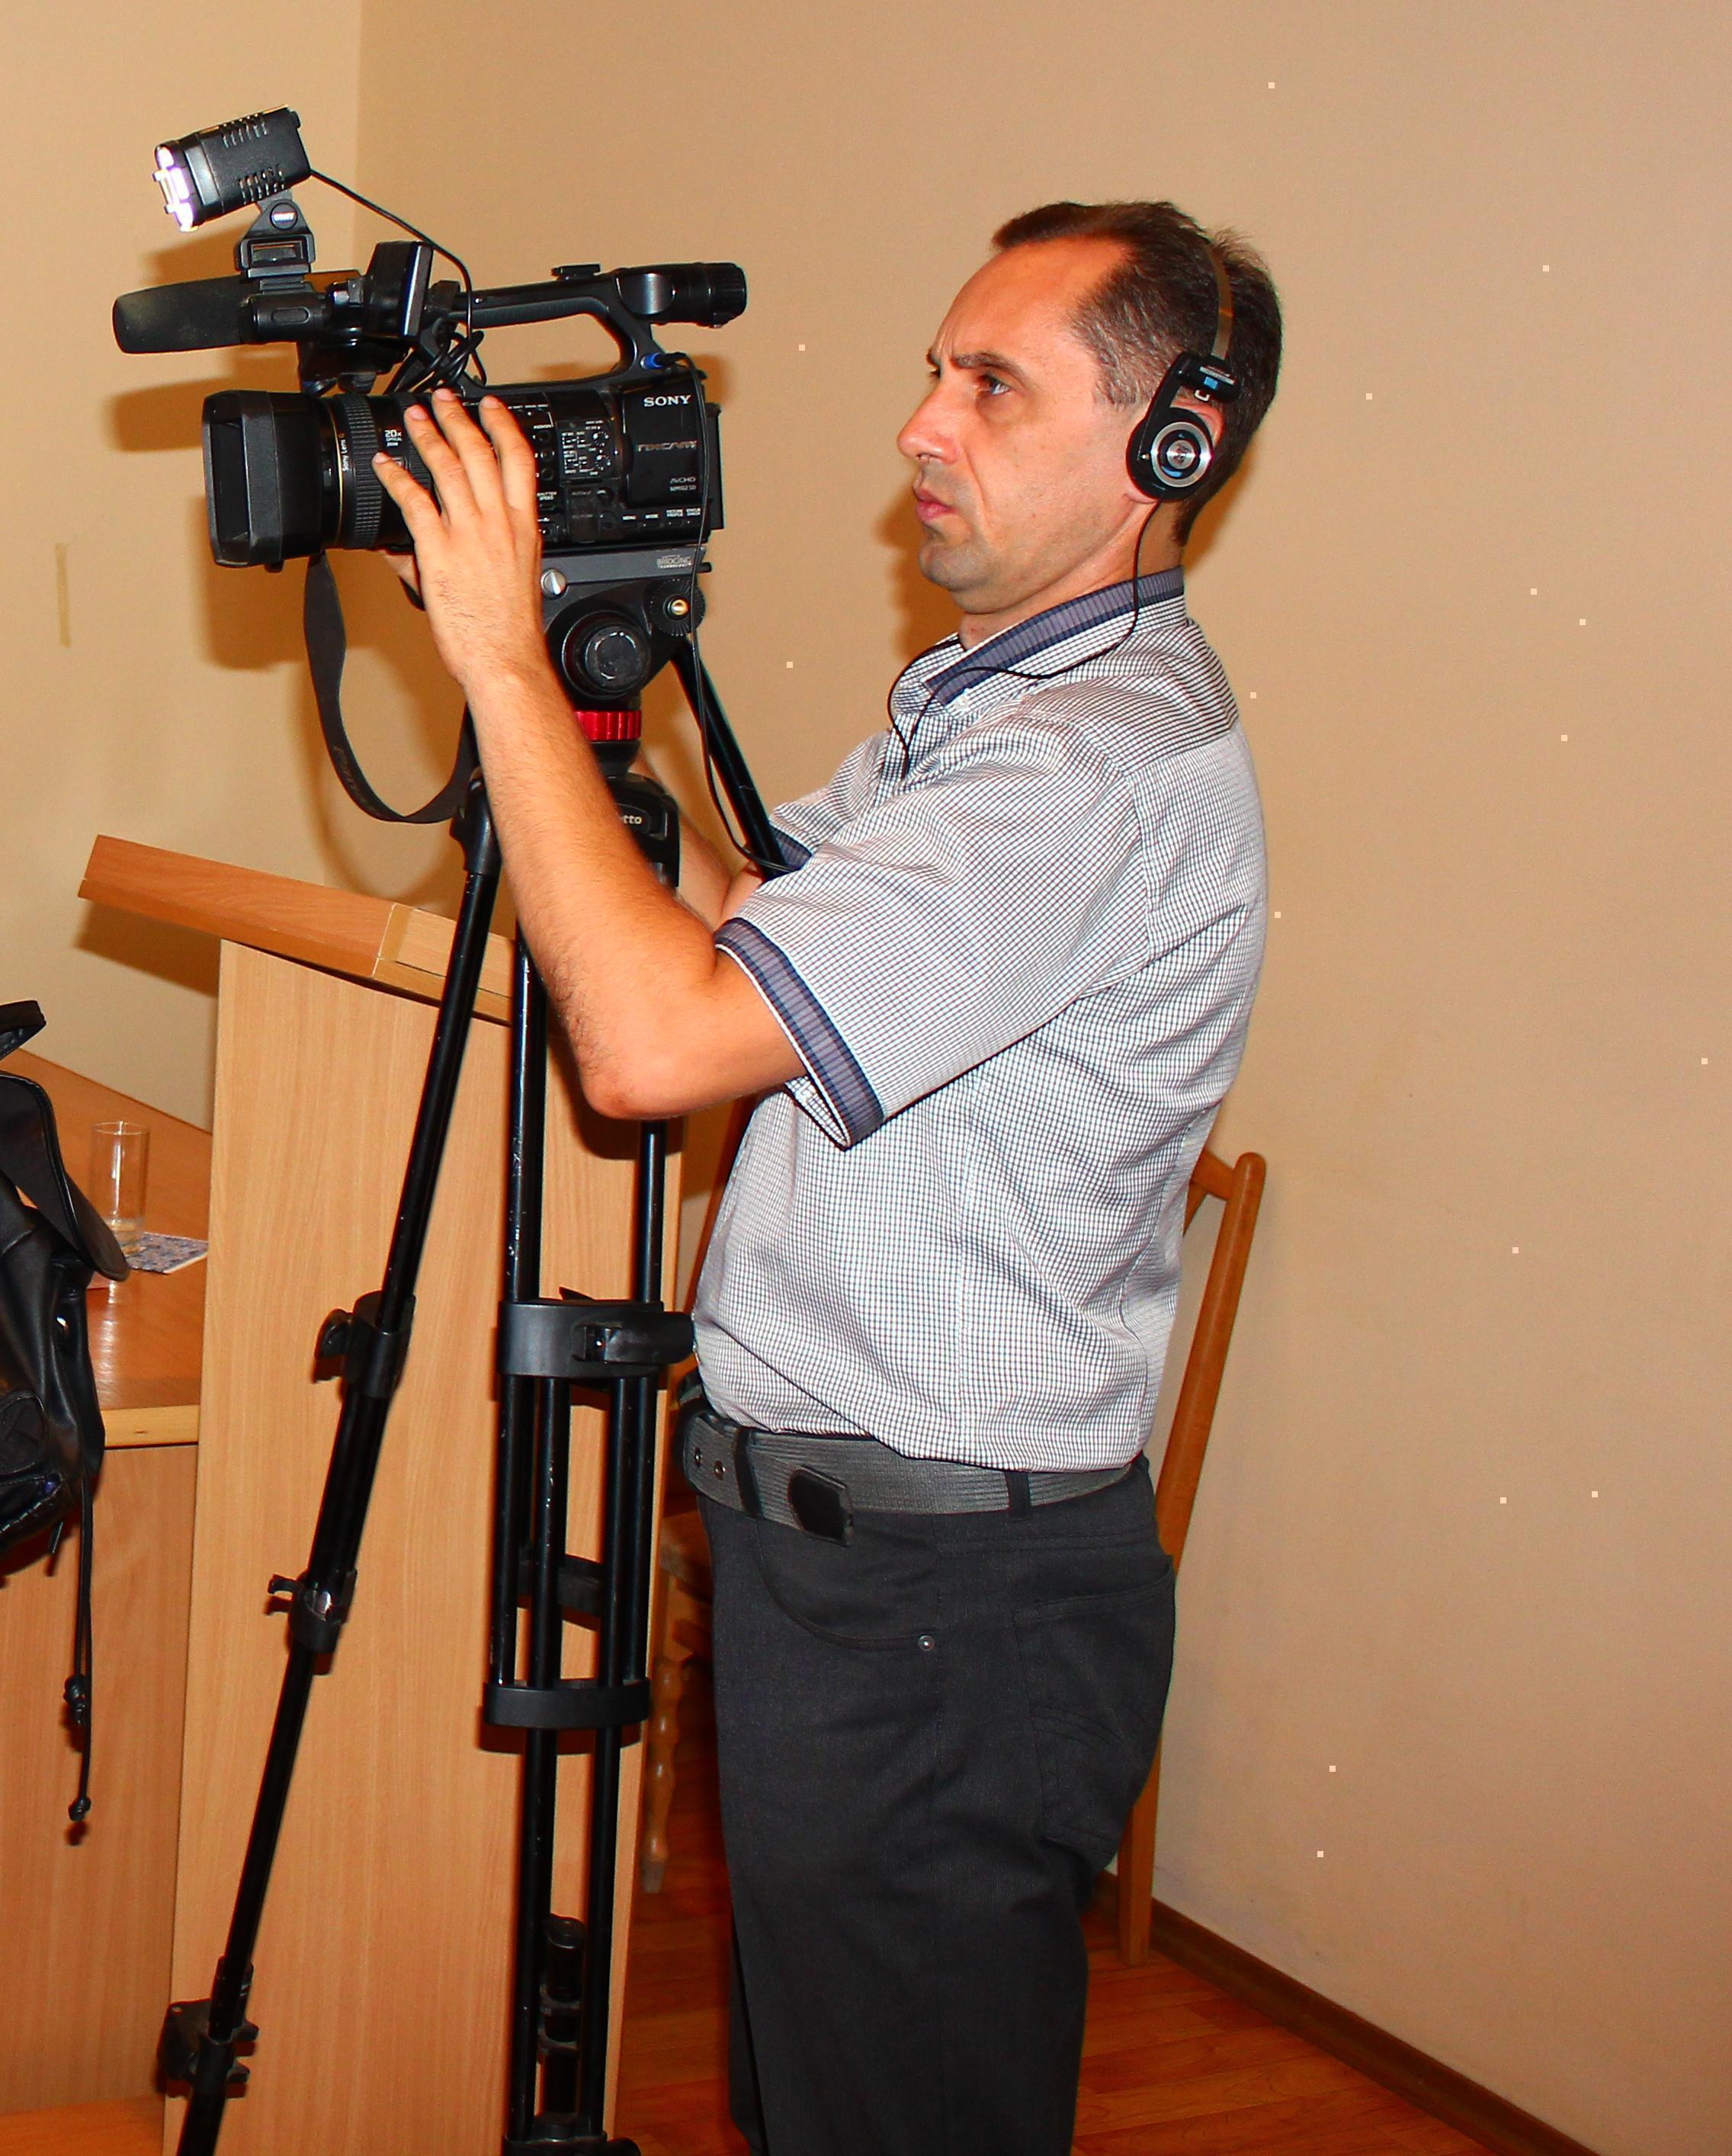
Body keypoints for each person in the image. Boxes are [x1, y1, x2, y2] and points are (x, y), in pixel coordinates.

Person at [370, 201, 1279, 2155]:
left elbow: (650, 1050)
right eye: (935, 369)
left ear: (1169, 442)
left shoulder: (1084, 768)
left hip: (945, 1611)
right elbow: (740, 938)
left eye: (991, 385)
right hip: (850, 1574)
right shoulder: (983, 714)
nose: (920, 425)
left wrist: (501, 662)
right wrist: (579, 700)